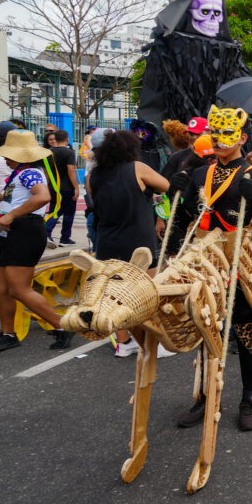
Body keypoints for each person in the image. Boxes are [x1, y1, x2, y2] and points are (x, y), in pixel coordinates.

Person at [167, 105, 252, 431]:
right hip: (203, 260)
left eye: (226, 136)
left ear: (243, 138)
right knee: (204, 325)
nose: (218, 141)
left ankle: (247, 397)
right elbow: (184, 219)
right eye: (214, 135)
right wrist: (177, 193)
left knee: (243, 328)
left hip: (238, 262)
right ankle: (204, 396)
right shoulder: (201, 173)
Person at [0, 130, 69, 354]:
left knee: (19, 289)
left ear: (24, 156)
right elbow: (13, 203)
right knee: (0, 286)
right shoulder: (20, 173)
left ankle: (62, 326)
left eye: (10, 154)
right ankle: (8, 334)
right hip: (13, 231)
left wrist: (11, 216)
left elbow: (43, 197)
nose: (6, 158)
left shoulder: (30, 173)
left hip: (24, 231)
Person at [88, 130, 172, 358]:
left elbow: (97, 200)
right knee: (149, 293)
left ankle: (124, 343)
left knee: (115, 294)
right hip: (138, 241)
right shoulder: (137, 167)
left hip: (107, 240)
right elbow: (165, 185)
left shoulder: (93, 175)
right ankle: (154, 343)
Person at [44, 130, 78, 247]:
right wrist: (76, 188)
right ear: (67, 139)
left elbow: (47, 171)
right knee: (69, 213)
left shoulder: (48, 152)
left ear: (56, 139)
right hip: (67, 187)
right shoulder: (69, 153)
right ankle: (64, 238)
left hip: (54, 186)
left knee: (55, 210)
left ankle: (48, 232)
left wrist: (47, 186)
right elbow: (71, 170)